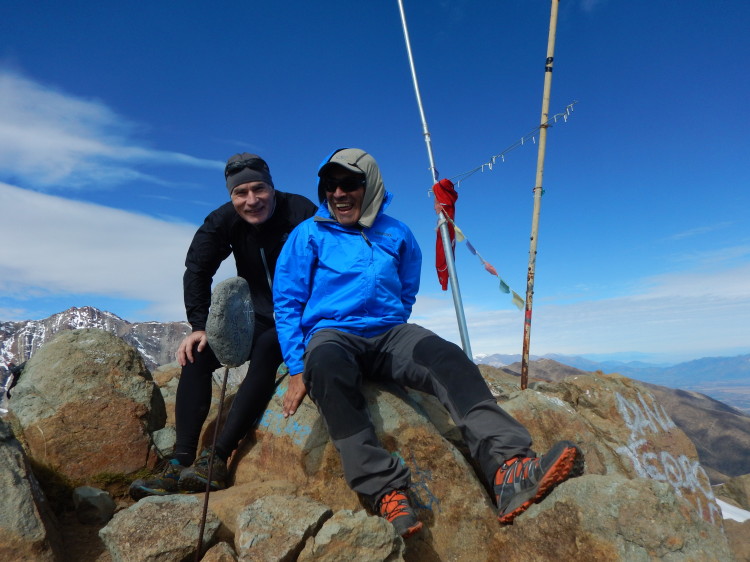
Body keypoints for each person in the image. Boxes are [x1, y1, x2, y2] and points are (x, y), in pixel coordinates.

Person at [273, 148, 584, 538]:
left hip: (389, 332)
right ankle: (385, 492)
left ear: (369, 186)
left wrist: (391, 325)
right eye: (330, 185)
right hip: (333, 334)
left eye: (349, 183)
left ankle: (508, 469)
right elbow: (286, 300)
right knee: (327, 370)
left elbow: (406, 290)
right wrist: (298, 368)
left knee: (446, 357)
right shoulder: (308, 234)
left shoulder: (396, 233)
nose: (338, 193)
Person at [129, 153, 317, 500]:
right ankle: (180, 461)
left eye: (259, 189)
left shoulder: (301, 212)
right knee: (198, 355)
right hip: (256, 315)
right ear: (231, 196)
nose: (251, 200)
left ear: (272, 187)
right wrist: (200, 326)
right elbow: (197, 269)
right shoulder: (223, 221)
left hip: (302, 316)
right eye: (240, 192)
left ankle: (215, 458)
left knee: (266, 348)